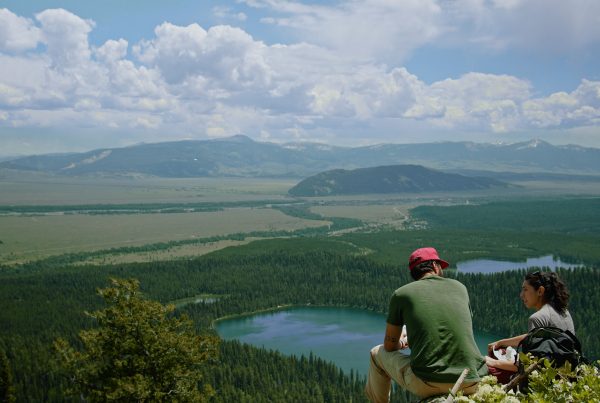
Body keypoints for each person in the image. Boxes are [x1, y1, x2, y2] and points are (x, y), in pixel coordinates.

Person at [365, 247, 488, 402]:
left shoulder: (402, 294)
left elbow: (389, 346)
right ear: (435, 266)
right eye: (440, 267)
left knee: (377, 353)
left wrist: (403, 342)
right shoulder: (460, 288)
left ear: (413, 273)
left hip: (429, 383)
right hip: (471, 380)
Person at [485, 270, 575, 377]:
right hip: (568, 373)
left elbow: (530, 365)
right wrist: (501, 343)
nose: (521, 295)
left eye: (525, 290)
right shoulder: (563, 311)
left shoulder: (537, 318)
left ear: (540, 291)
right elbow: (536, 337)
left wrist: (493, 362)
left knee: (492, 366)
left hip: (548, 379)